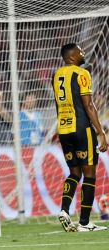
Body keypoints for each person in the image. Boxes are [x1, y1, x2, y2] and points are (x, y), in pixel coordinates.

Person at [53, 43, 108, 232]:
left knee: (74, 173)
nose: (83, 53)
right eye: (80, 51)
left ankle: (64, 210)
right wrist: (101, 132)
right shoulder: (82, 73)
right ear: (71, 57)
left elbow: (57, 106)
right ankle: (84, 222)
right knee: (90, 174)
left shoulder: (56, 75)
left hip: (64, 129)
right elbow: (89, 105)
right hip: (82, 128)